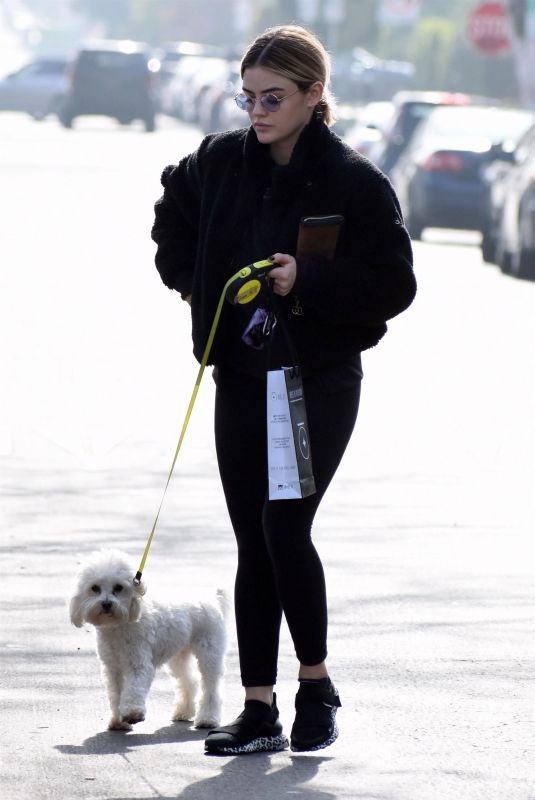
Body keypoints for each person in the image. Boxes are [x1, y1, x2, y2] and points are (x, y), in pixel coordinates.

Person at [151, 24, 416, 756]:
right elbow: (169, 214)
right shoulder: (219, 162)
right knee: (250, 539)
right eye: (248, 97)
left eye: (273, 98)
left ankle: (316, 685)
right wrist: (194, 284)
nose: (257, 112)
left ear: (313, 94)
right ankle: (258, 707)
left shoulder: (353, 180)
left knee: (283, 528)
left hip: (315, 382)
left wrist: (310, 279)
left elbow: (395, 285)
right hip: (240, 374)